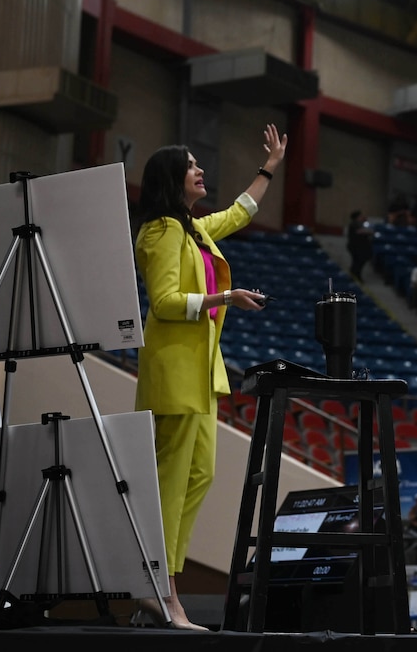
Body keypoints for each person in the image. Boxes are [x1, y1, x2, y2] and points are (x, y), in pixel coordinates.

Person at [132, 123, 287, 630]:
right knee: (170, 484)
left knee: (200, 476)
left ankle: (159, 586)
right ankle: (162, 593)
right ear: (172, 178)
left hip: (201, 375)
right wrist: (225, 298)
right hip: (173, 372)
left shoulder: (194, 228)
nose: (201, 171)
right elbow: (166, 302)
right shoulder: (160, 231)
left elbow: (240, 212)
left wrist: (269, 167)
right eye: (193, 165)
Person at [346, 210, 374, 281]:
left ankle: (356, 275)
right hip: (356, 247)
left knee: (360, 262)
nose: (363, 217)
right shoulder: (355, 224)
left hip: (361, 247)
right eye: (361, 216)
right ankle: (354, 276)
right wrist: (369, 232)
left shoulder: (362, 223)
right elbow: (360, 231)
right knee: (357, 262)